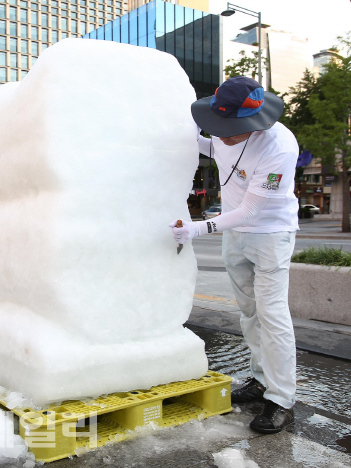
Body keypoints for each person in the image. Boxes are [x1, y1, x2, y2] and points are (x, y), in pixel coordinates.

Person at [170, 76, 298, 434]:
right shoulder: (225, 134)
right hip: (235, 236)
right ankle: (260, 381)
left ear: (253, 124)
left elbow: (252, 211)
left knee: (272, 314)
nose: (222, 135)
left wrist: (198, 227)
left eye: (230, 130)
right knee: (249, 313)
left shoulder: (280, 147)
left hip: (269, 235)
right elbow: (216, 149)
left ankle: (282, 399)